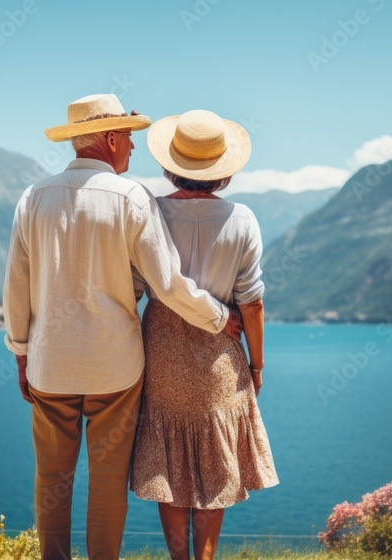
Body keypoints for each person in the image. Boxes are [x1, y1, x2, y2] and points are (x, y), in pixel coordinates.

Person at [2, 94, 243, 560]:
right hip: (116, 371)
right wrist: (219, 317)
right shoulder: (132, 198)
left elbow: (17, 283)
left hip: (50, 366)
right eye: (129, 138)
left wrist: (21, 351)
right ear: (110, 138)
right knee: (108, 482)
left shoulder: (33, 197)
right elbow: (168, 284)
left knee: (51, 480)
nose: (132, 149)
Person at [130, 109, 279, 560]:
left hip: (161, 348)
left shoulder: (150, 213)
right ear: (225, 171)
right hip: (220, 350)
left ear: (169, 165)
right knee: (216, 460)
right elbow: (251, 302)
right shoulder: (243, 219)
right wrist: (256, 364)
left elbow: (133, 288)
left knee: (170, 462)